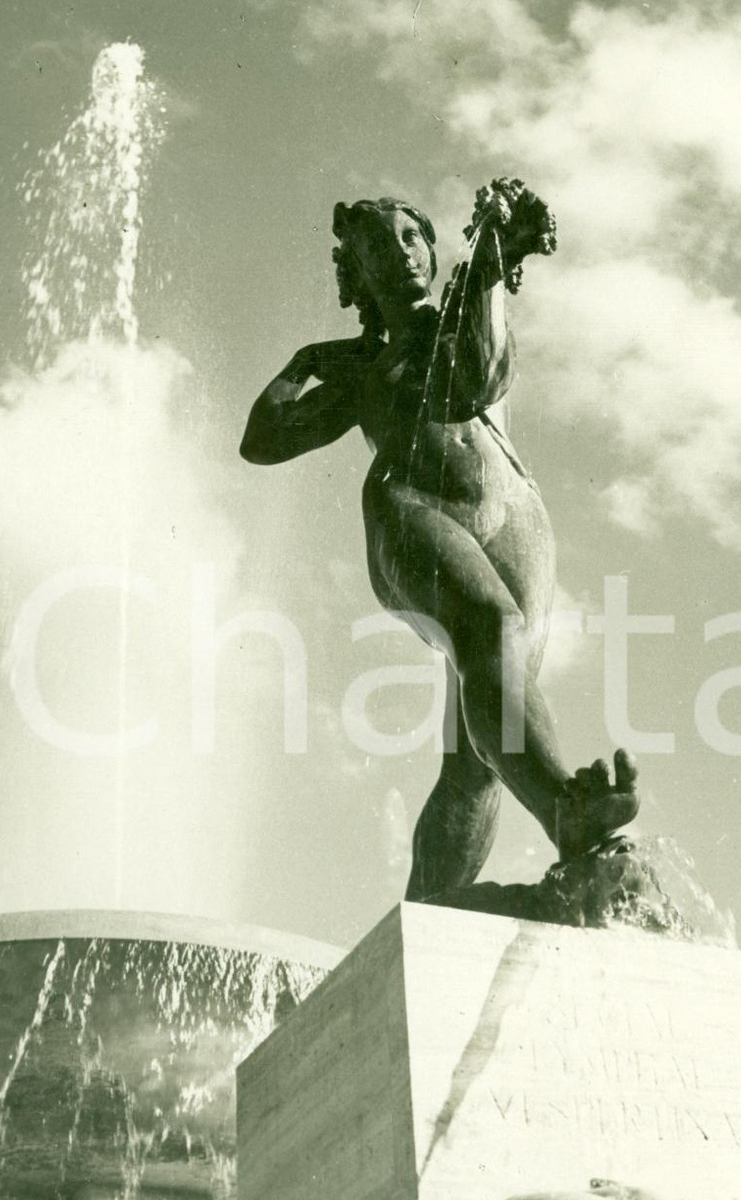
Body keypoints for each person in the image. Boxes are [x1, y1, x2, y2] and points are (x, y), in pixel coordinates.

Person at [241, 183, 638, 901]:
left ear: (429, 246)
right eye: (375, 249)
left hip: (512, 512)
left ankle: (427, 908)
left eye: (410, 237)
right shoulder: (361, 366)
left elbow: (480, 378)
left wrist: (490, 261)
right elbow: (263, 441)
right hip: (410, 506)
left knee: (478, 758)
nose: (399, 254)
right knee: (491, 626)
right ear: (356, 277)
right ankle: (566, 811)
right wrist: (304, 361)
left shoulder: (462, 307)